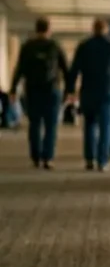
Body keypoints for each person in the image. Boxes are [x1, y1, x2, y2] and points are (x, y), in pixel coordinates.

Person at [66, 18, 110, 172]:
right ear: (107, 29)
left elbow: (74, 69)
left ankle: (89, 159)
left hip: (88, 91)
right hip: (108, 90)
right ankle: (103, 160)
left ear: (93, 29)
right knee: (106, 127)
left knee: (89, 125)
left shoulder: (84, 46)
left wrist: (70, 89)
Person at [10, 17, 68, 169]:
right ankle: (47, 157)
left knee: (34, 124)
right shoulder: (55, 46)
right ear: (49, 29)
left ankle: (35, 157)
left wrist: (13, 89)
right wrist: (70, 89)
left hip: (32, 89)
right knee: (51, 125)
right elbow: (65, 69)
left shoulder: (27, 46)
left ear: (36, 29)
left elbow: (19, 69)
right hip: (52, 90)